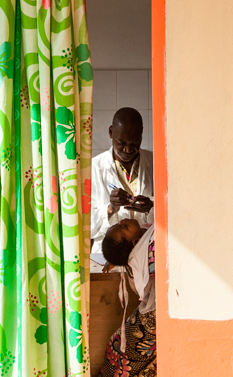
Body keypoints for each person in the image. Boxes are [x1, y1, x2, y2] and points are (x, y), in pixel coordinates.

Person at [91, 107, 154, 254]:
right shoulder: (93, 169)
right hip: (105, 256)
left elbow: (174, 211)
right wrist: (110, 208)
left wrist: (151, 206)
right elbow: (83, 228)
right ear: (111, 132)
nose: (127, 149)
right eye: (121, 142)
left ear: (141, 135)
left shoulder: (156, 162)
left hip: (147, 254)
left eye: (134, 143)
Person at [100, 215, 156, 377]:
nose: (123, 220)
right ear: (135, 243)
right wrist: (118, 257)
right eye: (123, 227)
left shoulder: (138, 250)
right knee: (121, 350)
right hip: (152, 317)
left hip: (150, 317)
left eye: (120, 224)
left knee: (118, 347)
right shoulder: (146, 249)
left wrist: (118, 258)